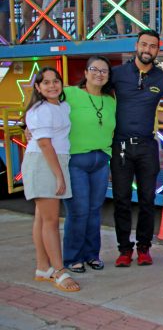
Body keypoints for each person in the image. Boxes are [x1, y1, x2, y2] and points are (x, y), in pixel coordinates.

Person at [110, 29, 163, 267]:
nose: (147, 50)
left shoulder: (162, 79)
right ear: (136, 45)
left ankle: (145, 248)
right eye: (144, 45)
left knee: (148, 199)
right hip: (120, 147)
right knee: (121, 199)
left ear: (158, 50)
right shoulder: (116, 74)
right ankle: (124, 250)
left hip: (148, 146)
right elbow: (89, 91)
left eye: (153, 46)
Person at [22, 67, 79, 292]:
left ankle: (42, 267)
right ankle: (58, 270)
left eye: (56, 81)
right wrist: (59, 176)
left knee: (41, 218)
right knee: (51, 221)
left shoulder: (62, 106)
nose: (52, 86)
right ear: (38, 87)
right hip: (45, 162)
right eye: (46, 82)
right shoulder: (40, 110)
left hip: (55, 160)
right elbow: (45, 144)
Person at [62, 56, 116, 273]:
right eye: (94, 69)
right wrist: (28, 125)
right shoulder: (70, 93)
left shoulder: (111, 100)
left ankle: (92, 255)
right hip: (76, 161)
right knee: (78, 210)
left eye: (104, 71)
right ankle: (72, 257)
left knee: (94, 211)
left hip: (101, 160)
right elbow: (42, 103)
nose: (99, 74)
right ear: (85, 73)